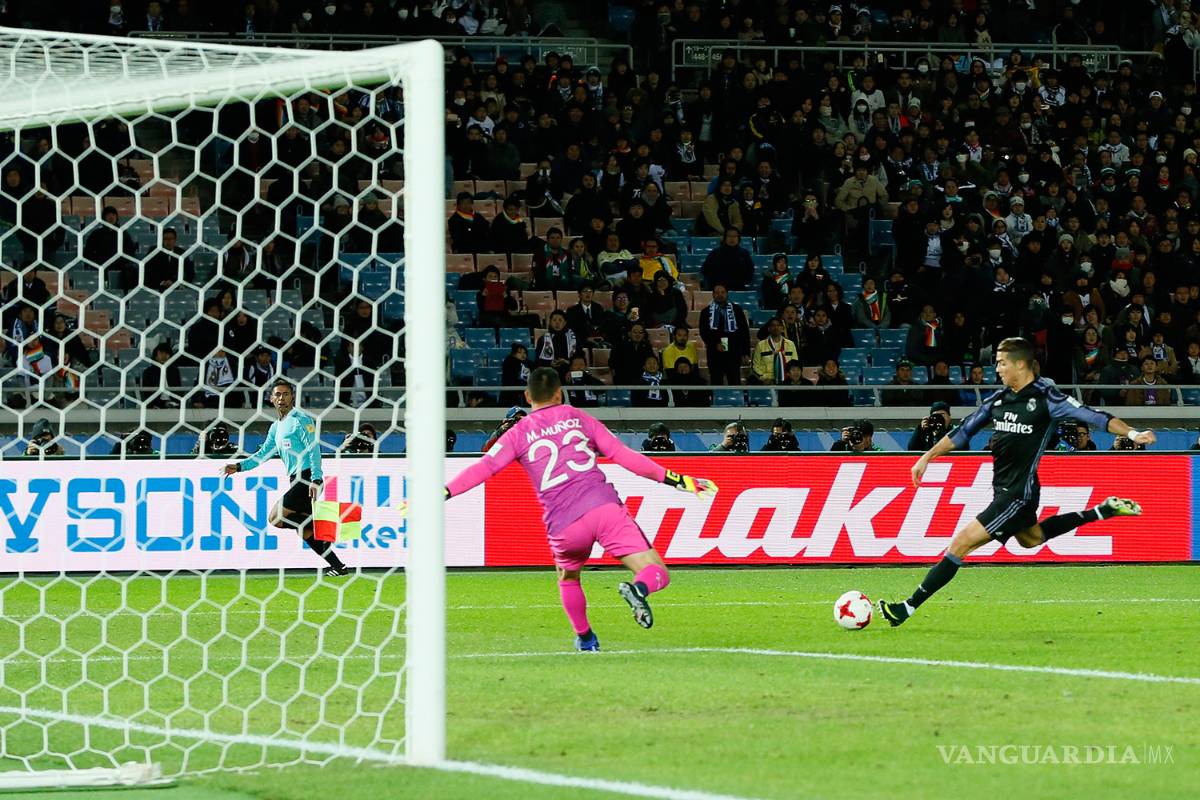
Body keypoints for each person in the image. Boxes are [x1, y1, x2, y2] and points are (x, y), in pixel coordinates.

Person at [878, 337, 1153, 627]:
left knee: (960, 544)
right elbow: (963, 431)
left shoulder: (1047, 399)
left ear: (1020, 364)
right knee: (1030, 539)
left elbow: (1093, 416)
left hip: (1017, 495)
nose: (997, 368)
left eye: (1002, 363)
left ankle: (906, 608)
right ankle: (1103, 511)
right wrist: (927, 456)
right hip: (1008, 491)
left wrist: (1132, 434)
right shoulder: (998, 400)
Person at [442, 368, 718, 650]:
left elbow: (484, 468)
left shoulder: (518, 433)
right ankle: (639, 589)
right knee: (655, 571)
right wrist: (679, 481)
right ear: (559, 393)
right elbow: (624, 456)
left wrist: (442, 492)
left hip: (563, 523)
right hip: (602, 507)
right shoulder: (577, 417)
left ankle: (586, 639)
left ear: (527, 396)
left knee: (568, 576)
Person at [221, 379, 349, 577]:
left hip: (307, 478)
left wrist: (316, 479)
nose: (281, 398)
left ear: (292, 397)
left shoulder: (301, 420)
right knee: (304, 532)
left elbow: (313, 448)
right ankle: (338, 566)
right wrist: (239, 467)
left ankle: (328, 522)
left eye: (286, 394)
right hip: (295, 479)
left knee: (276, 518)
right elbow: (263, 454)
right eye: (278, 394)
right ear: (271, 399)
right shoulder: (276, 427)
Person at [699, 283, 751, 385]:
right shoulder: (705, 312)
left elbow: (744, 332)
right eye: (717, 292)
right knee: (716, 383)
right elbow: (704, 332)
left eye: (722, 292)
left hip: (733, 353)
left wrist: (746, 352)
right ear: (713, 295)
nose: (720, 295)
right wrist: (715, 344)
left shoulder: (737, 310)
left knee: (735, 382)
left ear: (727, 294)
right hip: (715, 355)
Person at [750, 317, 799, 384]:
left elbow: (795, 363)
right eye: (773, 325)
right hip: (767, 380)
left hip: (787, 380)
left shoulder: (790, 344)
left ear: (782, 328)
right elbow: (755, 365)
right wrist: (763, 378)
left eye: (778, 325)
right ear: (769, 329)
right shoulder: (760, 345)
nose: (776, 327)